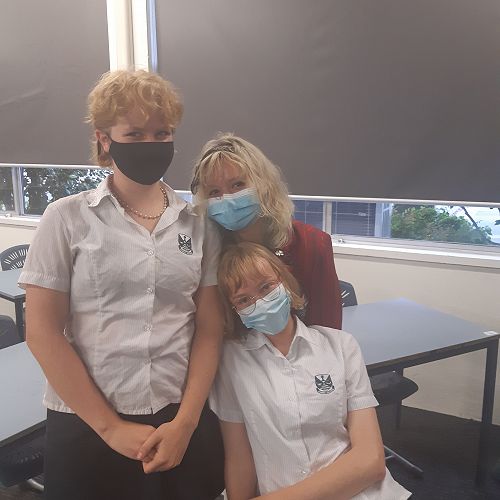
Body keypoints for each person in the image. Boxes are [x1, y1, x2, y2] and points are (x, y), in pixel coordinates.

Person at [19, 70, 224, 500]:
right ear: (104, 139)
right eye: (134, 133)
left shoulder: (199, 224)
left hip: (179, 420)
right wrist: (110, 427)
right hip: (88, 422)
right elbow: (42, 331)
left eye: (162, 133)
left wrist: (186, 423)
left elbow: (208, 329)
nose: (151, 143)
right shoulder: (66, 218)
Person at [210, 242, 411, 499]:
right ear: (235, 311)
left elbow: (370, 460)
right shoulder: (232, 361)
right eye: (243, 300)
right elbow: (239, 457)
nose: (259, 302)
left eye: (266, 287)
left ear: (285, 282)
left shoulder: (341, 346)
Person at [190, 133, 342, 330]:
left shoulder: (311, 243)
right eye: (214, 192)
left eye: (238, 184)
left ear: (264, 184)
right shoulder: (210, 252)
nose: (227, 198)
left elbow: (328, 331)